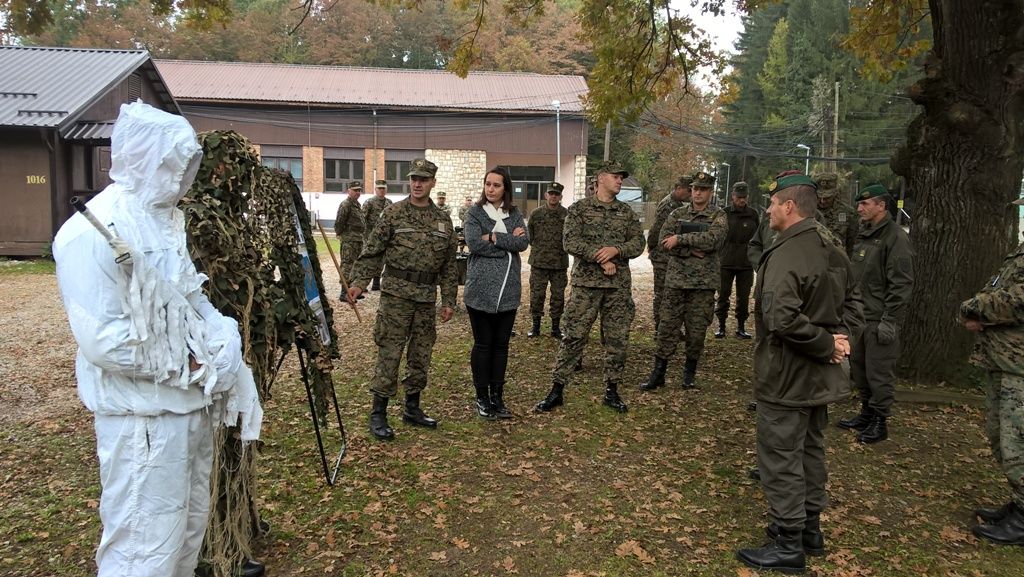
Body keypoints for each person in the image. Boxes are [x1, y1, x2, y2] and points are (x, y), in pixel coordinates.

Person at [52, 102, 262, 577]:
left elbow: (189, 297)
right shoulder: (90, 233)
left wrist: (223, 339)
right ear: (144, 158)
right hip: (142, 420)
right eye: (173, 164)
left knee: (187, 531)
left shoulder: (163, 222)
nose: (181, 176)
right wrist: (195, 364)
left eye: (186, 165)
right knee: (144, 544)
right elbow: (105, 341)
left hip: (190, 409)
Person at [736, 173, 863, 574]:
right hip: (818, 377)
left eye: (773, 203)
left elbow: (781, 318)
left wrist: (828, 345)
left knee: (780, 455)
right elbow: (856, 301)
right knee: (810, 449)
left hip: (787, 374)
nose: (768, 210)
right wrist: (841, 340)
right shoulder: (830, 245)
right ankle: (810, 529)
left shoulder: (789, 251)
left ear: (789, 206)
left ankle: (788, 541)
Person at [348, 158, 458, 440]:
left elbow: (449, 266)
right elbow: (373, 252)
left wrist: (448, 300)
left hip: (425, 298)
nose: (417, 184)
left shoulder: (443, 221)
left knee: (421, 354)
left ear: (433, 182)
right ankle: (378, 413)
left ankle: (412, 408)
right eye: (414, 179)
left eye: (423, 179)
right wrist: (359, 283)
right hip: (396, 296)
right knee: (390, 352)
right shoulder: (393, 213)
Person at [534, 161, 645, 413]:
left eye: (621, 177)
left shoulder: (626, 212)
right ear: (601, 178)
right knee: (573, 336)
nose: (620, 181)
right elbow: (570, 242)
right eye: (615, 176)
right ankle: (557, 389)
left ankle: (612, 391)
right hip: (586, 285)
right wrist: (600, 257)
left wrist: (616, 250)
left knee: (617, 339)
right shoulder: (579, 209)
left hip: (617, 287)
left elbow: (638, 242)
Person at [961, 200, 1024, 545]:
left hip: (1019, 366)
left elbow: (1017, 298)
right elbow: (1000, 288)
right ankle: (1019, 503)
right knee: (1002, 436)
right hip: (1005, 362)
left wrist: (976, 308)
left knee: (1018, 441)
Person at [837, 184, 914, 444]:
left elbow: (901, 283)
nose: (859, 209)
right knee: (860, 370)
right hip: (860, 317)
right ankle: (866, 413)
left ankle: (880, 421)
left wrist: (889, 320)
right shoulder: (865, 233)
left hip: (879, 320)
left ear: (881, 206)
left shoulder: (895, 237)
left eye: (865, 204)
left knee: (879, 373)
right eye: (859, 204)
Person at [640, 171, 726, 391]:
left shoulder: (718, 215)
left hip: (702, 285)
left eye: (703, 189)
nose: (698, 193)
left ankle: (689, 374)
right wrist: (690, 250)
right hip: (676, 283)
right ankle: (658, 374)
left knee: (696, 332)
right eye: (695, 188)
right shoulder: (677, 214)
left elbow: (713, 240)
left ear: (710, 192)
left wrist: (680, 239)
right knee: (667, 328)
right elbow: (663, 242)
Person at [462, 167, 530, 419]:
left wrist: (493, 237)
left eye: (496, 185)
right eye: (487, 184)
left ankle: (497, 397)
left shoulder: (514, 213)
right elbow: (474, 244)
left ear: (505, 188)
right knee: (483, 344)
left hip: (508, 291)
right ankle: (482, 397)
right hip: (480, 290)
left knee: (501, 346)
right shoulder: (475, 213)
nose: (490, 189)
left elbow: (523, 243)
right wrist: (506, 240)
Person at [715, 181, 760, 339]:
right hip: (726, 262)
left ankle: (741, 327)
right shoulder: (724, 213)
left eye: (744, 197)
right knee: (723, 295)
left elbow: (758, 237)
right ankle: (721, 326)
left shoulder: (753, 214)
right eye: (739, 197)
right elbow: (717, 235)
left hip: (746, 263)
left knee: (743, 297)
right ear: (732, 196)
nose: (742, 200)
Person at [649, 175, 693, 330]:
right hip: (662, 256)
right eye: (688, 190)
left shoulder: (677, 204)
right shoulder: (668, 205)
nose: (691, 193)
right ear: (679, 188)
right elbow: (656, 230)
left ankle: (669, 328)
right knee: (662, 294)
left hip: (669, 256)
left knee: (672, 294)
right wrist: (653, 249)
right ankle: (660, 328)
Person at [527, 182, 570, 338]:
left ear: (560, 196)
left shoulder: (566, 215)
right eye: (551, 193)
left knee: (558, 297)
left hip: (559, 264)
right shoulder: (536, 214)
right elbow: (530, 236)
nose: (553, 196)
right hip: (539, 262)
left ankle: (555, 328)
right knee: (537, 295)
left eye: (556, 194)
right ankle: (536, 327)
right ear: (546, 195)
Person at [814, 173, 858, 256]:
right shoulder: (808, 211)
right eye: (819, 197)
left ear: (835, 193)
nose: (822, 201)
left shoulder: (847, 212)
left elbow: (853, 244)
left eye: (827, 198)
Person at [362, 179, 393, 291]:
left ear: (386, 190)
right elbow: (362, 219)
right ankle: (362, 284)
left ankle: (376, 283)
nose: (381, 190)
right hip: (370, 236)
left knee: (381, 260)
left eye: (383, 188)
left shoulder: (389, 203)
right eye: (379, 188)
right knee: (367, 260)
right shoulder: (369, 202)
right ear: (375, 189)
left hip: (383, 237)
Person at [334, 180, 365, 288]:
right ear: (349, 191)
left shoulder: (357, 205)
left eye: (359, 190)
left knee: (357, 265)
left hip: (358, 239)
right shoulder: (345, 205)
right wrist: (340, 234)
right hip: (349, 240)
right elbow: (339, 222)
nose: (358, 192)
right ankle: (344, 291)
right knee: (347, 265)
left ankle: (352, 289)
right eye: (355, 190)